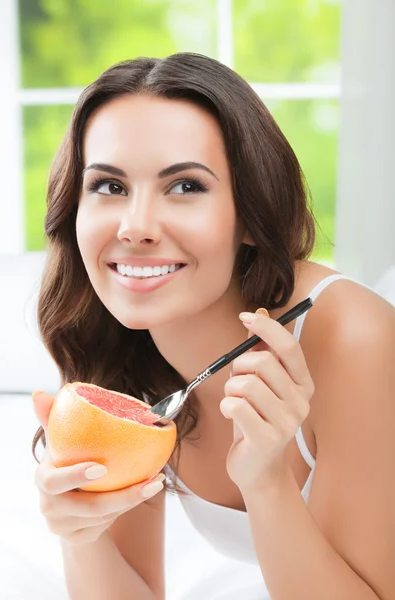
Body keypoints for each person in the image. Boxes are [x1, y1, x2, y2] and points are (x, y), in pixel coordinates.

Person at [31, 52, 395, 600]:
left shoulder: (352, 339)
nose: (136, 227)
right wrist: (79, 533)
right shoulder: (118, 349)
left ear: (250, 213)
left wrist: (266, 482)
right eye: (109, 186)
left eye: (185, 187)